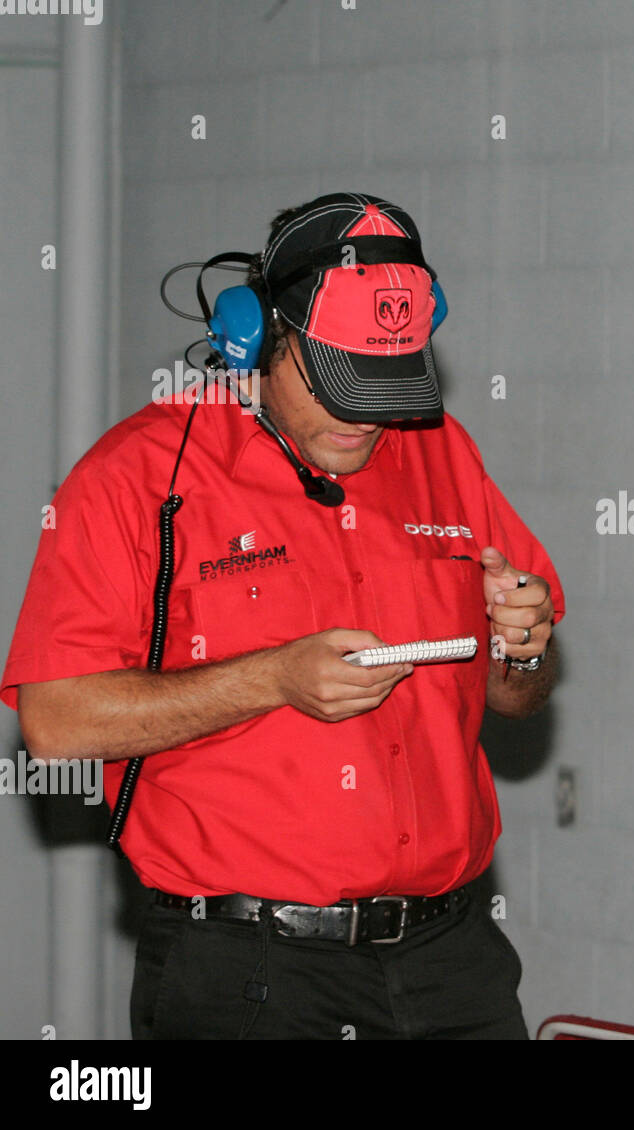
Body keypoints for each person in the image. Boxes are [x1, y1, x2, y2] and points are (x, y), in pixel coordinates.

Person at [2, 191, 564, 1040]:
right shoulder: (140, 477)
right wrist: (271, 680)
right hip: (252, 976)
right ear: (259, 335)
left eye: (386, 386)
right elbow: (55, 723)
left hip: (452, 962)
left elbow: (516, 697)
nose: (362, 418)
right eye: (335, 383)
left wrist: (523, 650)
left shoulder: (441, 452)